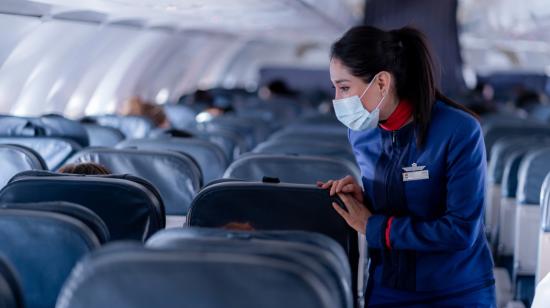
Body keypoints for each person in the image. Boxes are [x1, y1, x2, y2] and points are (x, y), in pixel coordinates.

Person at [319, 26, 496, 306]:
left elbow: (460, 230)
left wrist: (373, 226)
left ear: (381, 83)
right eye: (335, 88)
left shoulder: (458, 130)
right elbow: (401, 201)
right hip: (387, 288)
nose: (338, 100)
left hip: (455, 291)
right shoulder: (360, 133)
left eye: (344, 88)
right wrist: (363, 201)